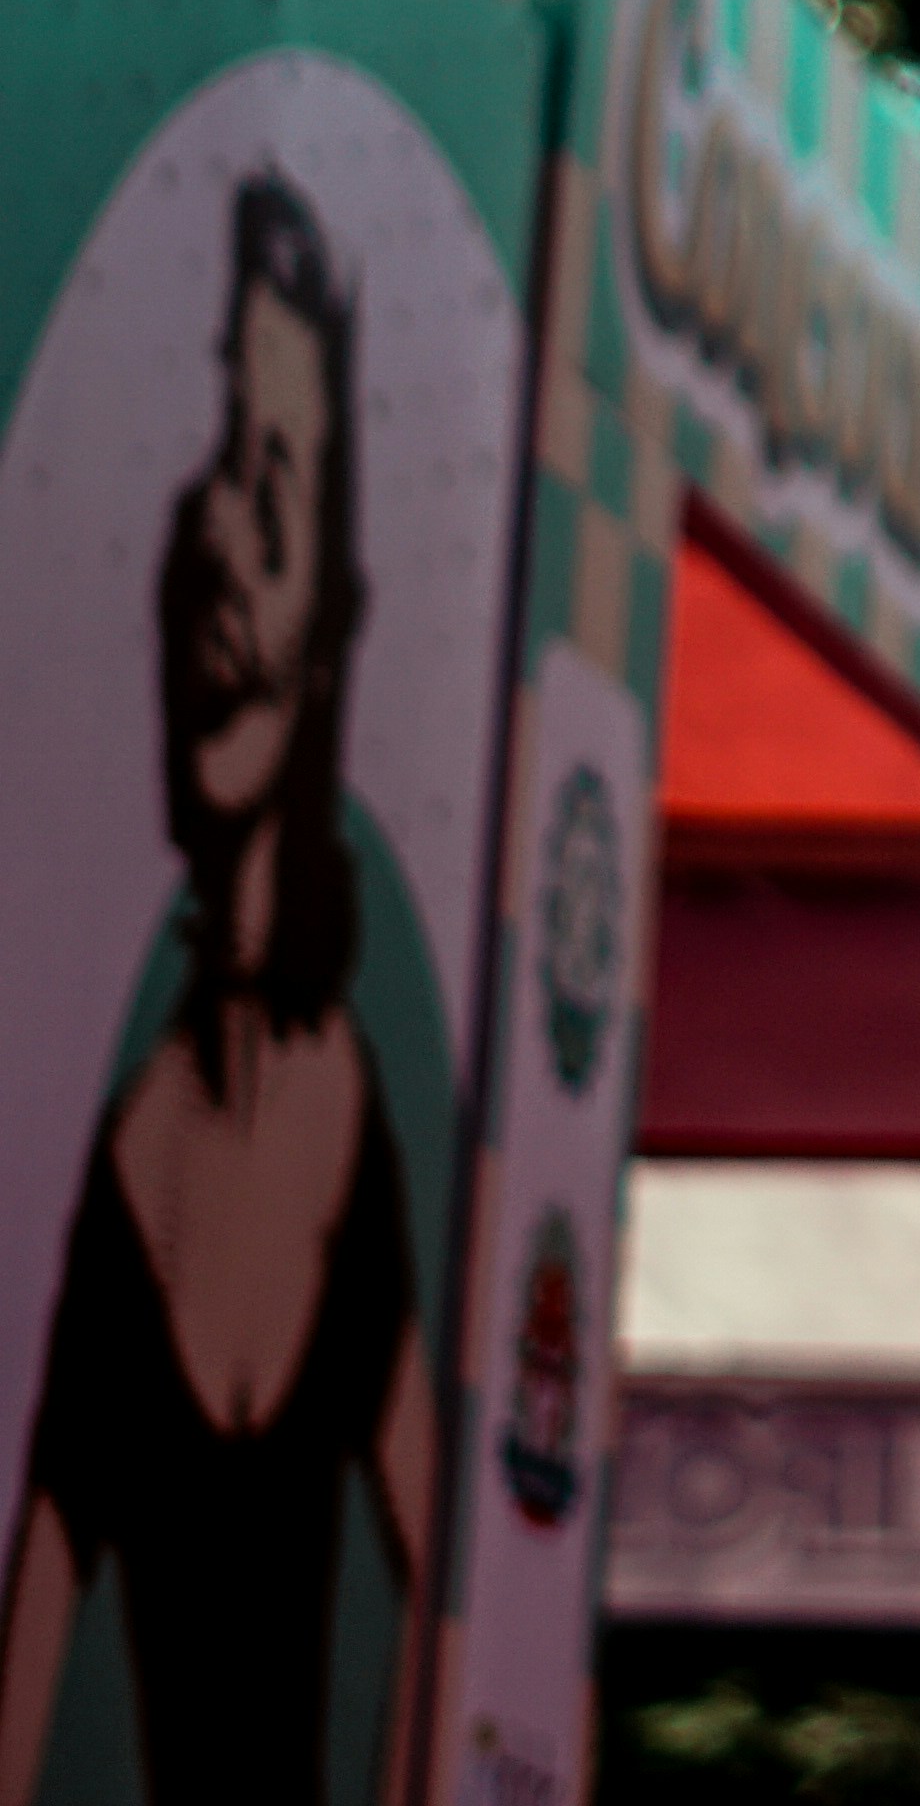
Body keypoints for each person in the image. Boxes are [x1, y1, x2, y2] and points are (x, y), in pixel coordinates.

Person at [1, 171, 435, 1806]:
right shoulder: (114, 1145)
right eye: (201, 481)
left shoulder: (357, 1111)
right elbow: (25, 1641)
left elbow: (457, 1555)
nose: (216, 552)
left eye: (274, 482)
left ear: (337, 616)